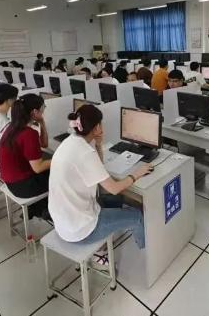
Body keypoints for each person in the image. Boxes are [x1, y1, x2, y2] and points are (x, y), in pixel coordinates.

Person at [49, 104, 152, 264]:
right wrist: (137, 173)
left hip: (64, 221)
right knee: (136, 215)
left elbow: (98, 167)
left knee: (117, 201)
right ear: (96, 127)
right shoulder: (85, 153)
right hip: (81, 230)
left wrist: (98, 144)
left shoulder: (71, 142)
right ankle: (148, 252)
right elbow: (114, 189)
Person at [0, 94, 51, 219]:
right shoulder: (28, 134)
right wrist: (59, 158)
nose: (44, 110)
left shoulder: (13, 127)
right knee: (61, 172)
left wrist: (42, 122)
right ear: (35, 112)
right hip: (22, 187)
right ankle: (47, 210)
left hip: (11, 182)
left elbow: (44, 144)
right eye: (43, 108)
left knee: (50, 167)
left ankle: (36, 208)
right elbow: (38, 168)